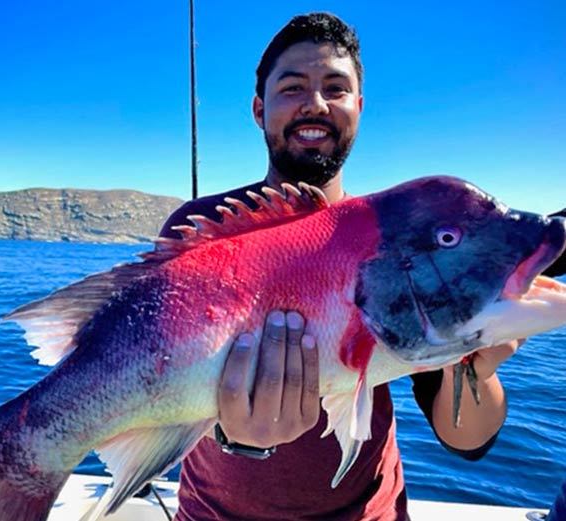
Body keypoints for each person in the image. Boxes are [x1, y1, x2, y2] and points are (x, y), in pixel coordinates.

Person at [160, 12, 521, 521]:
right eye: (293, 88)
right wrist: (233, 434)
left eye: (336, 87)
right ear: (259, 108)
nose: (315, 104)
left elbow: (466, 441)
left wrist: (477, 370)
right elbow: (155, 382)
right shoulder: (199, 226)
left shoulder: (401, 243)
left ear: (359, 106)